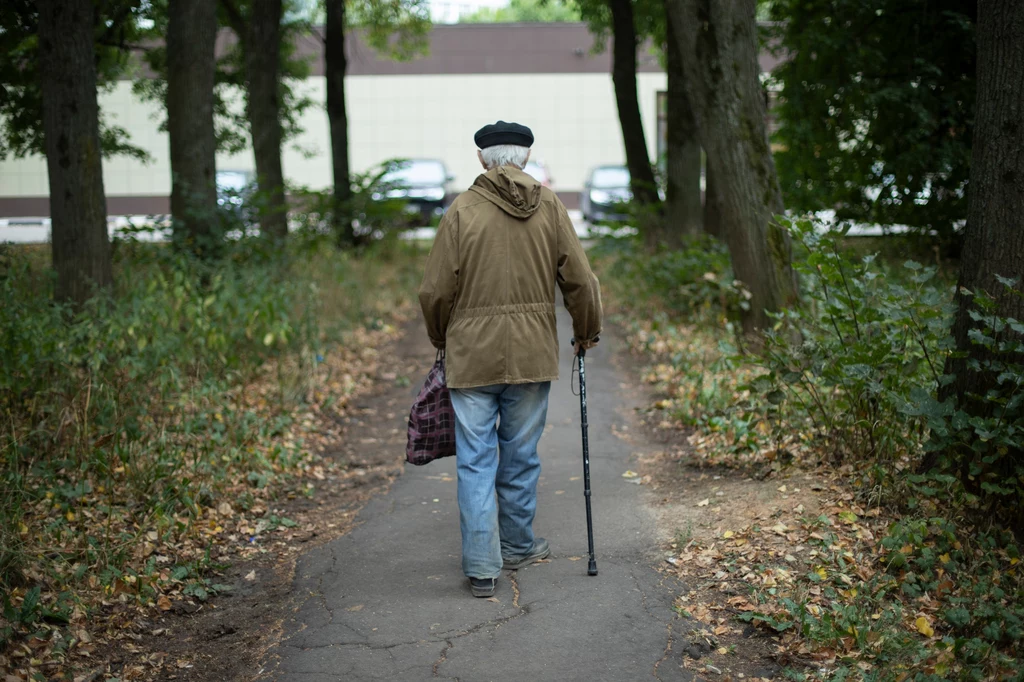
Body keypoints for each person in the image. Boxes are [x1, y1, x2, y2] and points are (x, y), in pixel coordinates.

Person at [418, 121, 603, 598]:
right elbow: (580, 281)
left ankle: (482, 567)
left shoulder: (461, 211)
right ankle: (519, 545)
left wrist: (443, 338)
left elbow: (436, 289)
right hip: (531, 353)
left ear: (482, 159)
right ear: (525, 158)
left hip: (471, 357)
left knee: (476, 461)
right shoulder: (551, 207)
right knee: (520, 456)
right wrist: (586, 333)